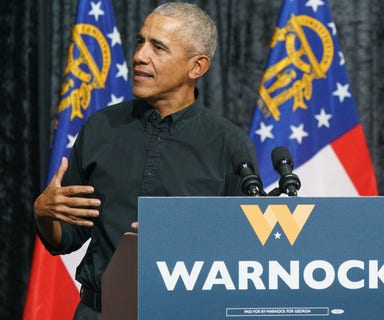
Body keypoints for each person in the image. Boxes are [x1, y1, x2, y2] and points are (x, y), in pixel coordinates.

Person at [33, 2, 257, 318]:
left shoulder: (229, 144)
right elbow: (65, 238)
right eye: (140, 41)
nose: (140, 56)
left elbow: (246, 252)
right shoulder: (101, 127)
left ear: (197, 67)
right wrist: (43, 213)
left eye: (158, 47)